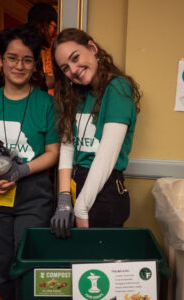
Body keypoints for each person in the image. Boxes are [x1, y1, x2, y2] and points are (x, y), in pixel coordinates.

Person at [0, 25, 59, 300]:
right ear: (0, 60)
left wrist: (23, 169)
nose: (19, 65)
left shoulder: (47, 104)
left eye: (27, 59)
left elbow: (53, 152)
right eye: (12, 58)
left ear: (35, 65)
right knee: (1, 262)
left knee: (28, 259)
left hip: (34, 196)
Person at [50, 28, 141, 239]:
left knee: (95, 269)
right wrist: (64, 198)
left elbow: (106, 156)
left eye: (75, 58)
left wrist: (81, 206)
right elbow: (67, 146)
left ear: (92, 48)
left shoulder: (118, 88)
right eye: (65, 67)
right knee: (75, 263)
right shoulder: (76, 94)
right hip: (76, 183)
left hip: (104, 190)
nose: (73, 69)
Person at [27, 2, 57, 95]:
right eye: (53, 27)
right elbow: (35, 85)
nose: (55, 33)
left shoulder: (30, 43)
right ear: (44, 24)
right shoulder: (28, 45)